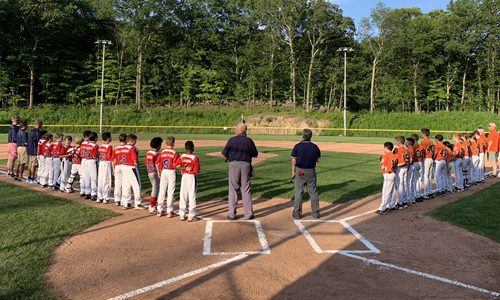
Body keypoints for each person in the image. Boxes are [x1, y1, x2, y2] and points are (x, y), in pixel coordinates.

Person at [221, 123, 258, 220]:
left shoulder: (231, 140)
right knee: (246, 189)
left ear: (236, 131)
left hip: (234, 165)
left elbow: (223, 154)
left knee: (233, 189)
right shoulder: (249, 140)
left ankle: (231, 214)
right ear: (245, 131)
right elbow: (255, 154)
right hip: (246, 165)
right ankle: (248, 214)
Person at [290, 129, 321, 219]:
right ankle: (315, 213)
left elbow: (293, 159)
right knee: (313, 192)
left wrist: (293, 172)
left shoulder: (298, 146)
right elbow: (318, 160)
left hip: (300, 171)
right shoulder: (315, 147)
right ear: (310, 136)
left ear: (302, 136)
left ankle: (297, 213)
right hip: (311, 171)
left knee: (299, 192)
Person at [113, 134, 146, 210]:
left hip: (124, 166)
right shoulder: (132, 148)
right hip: (131, 167)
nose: (135, 142)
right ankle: (137, 203)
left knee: (126, 185)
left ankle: (125, 202)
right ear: (131, 141)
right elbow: (135, 158)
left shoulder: (122, 148)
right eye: (135, 141)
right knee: (137, 185)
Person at [176, 141, 201, 222]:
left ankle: (182, 214)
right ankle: (191, 214)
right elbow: (197, 170)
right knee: (192, 195)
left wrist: (184, 168)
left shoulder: (182, 156)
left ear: (185, 148)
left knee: (183, 194)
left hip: (184, 176)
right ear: (193, 148)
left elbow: (176, 166)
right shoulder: (195, 157)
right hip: (192, 177)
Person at [155, 136, 179, 218]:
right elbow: (177, 165)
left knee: (162, 191)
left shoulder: (162, 152)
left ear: (165, 143)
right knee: (170, 191)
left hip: (164, 171)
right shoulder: (175, 153)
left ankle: (159, 210)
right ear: (174, 144)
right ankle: (169, 211)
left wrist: (158, 171)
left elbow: (157, 163)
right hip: (171, 171)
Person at [375, 142, 397, 215]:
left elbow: (382, 167)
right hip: (393, 173)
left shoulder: (385, 156)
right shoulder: (394, 156)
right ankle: (392, 206)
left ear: (386, 148)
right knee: (392, 191)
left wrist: (381, 161)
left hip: (388, 175)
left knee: (386, 192)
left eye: (384, 147)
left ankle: (382, 208)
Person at [146, 137, 162, 213]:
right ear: (158, 146)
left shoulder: (148, 153)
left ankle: (153, 205)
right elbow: (158, 164)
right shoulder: (157, 154)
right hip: (155, 172)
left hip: (149, 172)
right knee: (155, 189)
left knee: (154, 188)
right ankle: (152, 206)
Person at [394, 136, 409, 209]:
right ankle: (405, 201)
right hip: (406, 168)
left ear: (399, 142)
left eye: (397, 142)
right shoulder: (406, 149)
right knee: (405, 185)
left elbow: (400, 161)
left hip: (400, 168)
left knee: (400, 185)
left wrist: (395, 166)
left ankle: (400, 202)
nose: (396, 143)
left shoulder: (399, 150)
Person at [97, 132, 113, 204]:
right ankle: (106, 197)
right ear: (108, 138)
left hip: (101, 162)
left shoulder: (102, 146)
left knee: (100, 179)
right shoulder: (109, 146)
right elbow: (109, 157)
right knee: (107, 179)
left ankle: (99, 196)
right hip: (106, 162)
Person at [420, 128, 435, 199]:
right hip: (431, 158)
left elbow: (422, 151)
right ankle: (430, 191)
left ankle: (426, 192)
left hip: (426, 159)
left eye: (422, 133)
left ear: (424, 134)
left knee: (425, 176)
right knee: (429, 176)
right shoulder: (431, 141)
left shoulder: (424, 142)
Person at [27, 119, 42, 184]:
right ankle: (32, 177)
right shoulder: (36, 131)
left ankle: (29, 177)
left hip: (29, 149)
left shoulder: (31, 130)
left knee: (30, 164)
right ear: (38, 124)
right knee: (33, 165)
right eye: (41, 124)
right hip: (34, 150)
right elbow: (39, 141)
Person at [85, 132, 99, 200]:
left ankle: (87, 192)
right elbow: (94, 156)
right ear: (95, 138)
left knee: (87, 177)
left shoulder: (87, 145)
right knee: (94, 178)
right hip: (92, 161)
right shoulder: (95, 145)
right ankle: (93, 193)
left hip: (86, 160)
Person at [411, 133, 424, 202]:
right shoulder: (421, 146)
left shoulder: (413, 147)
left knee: (414, 180)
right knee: (419, 179)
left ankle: (416, 195)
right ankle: (419, 194)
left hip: (415, 163)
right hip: (420, 162)